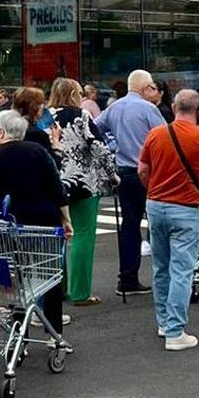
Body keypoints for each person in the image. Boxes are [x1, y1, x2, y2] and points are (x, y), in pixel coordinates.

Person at [138, 90, 199, 351]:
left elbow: (142, 170)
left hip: (156, 205)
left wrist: (152, 191)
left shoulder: (156, 134)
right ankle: (175, 331)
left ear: (175, 107)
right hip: (185, 207)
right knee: (182, 269)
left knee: (161, 267)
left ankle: (164, 322)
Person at [0, 110, 71, 337]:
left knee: (15, 276)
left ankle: (18, 332)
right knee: (48, 274)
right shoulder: (37, 151)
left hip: (8, 221)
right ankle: (54, 333)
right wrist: (66, 219)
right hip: (43, 218)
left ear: (1, 132)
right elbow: (56, 188)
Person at [95, 69, 166, 297]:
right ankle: (163, 276)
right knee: (158, 223)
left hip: (124, 171)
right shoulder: (149, 109)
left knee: (129, 226)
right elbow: (165, 137)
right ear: (146, 88)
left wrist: (112, 146)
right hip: (148, 172)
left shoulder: (114, 107)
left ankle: (127, 277)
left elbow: (94, 129)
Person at [49, 78, 116, 306]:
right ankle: (80, 292)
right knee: (82, 235)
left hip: (55, 181)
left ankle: (58, 288)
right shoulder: (81, 116)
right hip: (84, 183)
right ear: (72, 94)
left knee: (57, 237)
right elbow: (99, 147)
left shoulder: (45, 117)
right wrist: (112, 174)